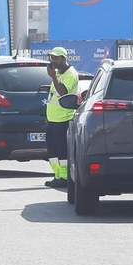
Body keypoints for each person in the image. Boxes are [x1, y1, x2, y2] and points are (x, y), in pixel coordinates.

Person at [43, 46, 79, 190]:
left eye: (57, 58)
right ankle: (57, 176)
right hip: (53, 119)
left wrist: (53, 77)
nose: (54, 61)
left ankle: (65, 177)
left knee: (62, 151)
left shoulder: (70, 74)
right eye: (52, 58)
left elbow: (63, 92)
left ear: (64, 59)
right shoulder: (58, 74)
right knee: (52, 151)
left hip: (63, 119)